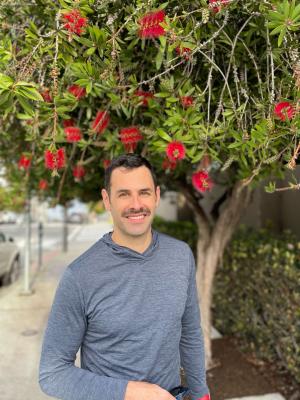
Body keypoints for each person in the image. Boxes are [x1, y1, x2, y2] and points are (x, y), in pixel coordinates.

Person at [39, 154, 210, 400]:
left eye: (144, 192)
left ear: (157, 195)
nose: (136, 204)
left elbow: (190, 331)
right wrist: (130, 391)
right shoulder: (80, 276)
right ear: (107, 200)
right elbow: (52, 373)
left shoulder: (180, 255)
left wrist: (200, 392)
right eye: (123, 194)